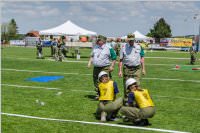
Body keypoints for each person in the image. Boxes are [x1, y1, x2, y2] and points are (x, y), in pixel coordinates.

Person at [118, 33, 145, 105]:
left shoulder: (139, 47)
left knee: (137, 85)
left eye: (132, 40)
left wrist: (143, 69)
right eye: (129, 40)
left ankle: (137, 102)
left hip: (137, 69)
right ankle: (127, 102)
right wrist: (120, 71)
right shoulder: (123, 47)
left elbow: (142, 58)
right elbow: (120, 60)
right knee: (127, 86)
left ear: (134, 39)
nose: (131, 42)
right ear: (127, 40)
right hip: (127, 68)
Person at [88, 35, 117, 99]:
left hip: (105, 67)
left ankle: (108, 94)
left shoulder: (109, 48)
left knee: (105, 80)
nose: (98, 41)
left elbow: (114, 58)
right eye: (98, 40)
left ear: (103, 41)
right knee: (96, 80)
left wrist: (112, 66)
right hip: (96, 67)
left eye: (99, 40)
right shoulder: (95, 47)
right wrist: (89, 63)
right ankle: (99, 94)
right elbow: (92, 56)